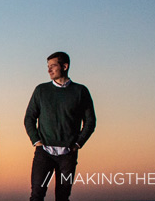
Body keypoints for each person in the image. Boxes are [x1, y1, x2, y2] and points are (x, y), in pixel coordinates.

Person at [24, 52, 96, 201]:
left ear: (65, 66)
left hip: (68, 155)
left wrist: (78, 143)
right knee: (37, 195)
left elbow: (90, 121)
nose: (49, 70)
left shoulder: (80, 91)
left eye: (53, 66)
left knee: (63, 197)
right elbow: (29, 118)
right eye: (48, 67)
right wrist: (36, 141)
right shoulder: (41, 90)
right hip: (44, 153)